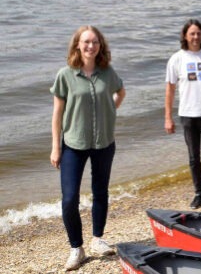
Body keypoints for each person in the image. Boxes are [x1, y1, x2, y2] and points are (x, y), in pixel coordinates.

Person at [50, 26, 126, 271]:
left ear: (100, 45)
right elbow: (57, 113)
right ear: (77, 45)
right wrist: (55, 147)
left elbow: (120, 92)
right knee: (69, 198)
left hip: (104, 142)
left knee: (100, 192)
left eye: (95, 42)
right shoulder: (66, 75)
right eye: (86, 42)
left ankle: (97, 239)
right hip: (73, 143)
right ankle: (76, 247)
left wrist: (110, 110)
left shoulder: (107, 73)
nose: (91, 46)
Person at [164, 19, 201, 209]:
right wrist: (168, 117)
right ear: (185, 36)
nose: (196, 37)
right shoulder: (177, 58)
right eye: (192, 33)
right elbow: (170, 90)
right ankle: (199, 193)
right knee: (193, 156)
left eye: (199, 33)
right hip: (188, 114)